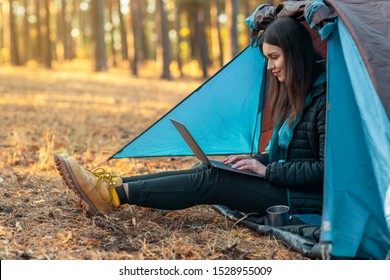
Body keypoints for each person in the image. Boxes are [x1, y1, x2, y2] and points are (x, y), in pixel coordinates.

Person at [55, 17, 326, 219]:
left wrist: (267, 170)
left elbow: (326, 172)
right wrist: (254, 161)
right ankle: (112, 185)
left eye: (275, 57)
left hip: (302, 198)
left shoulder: (325, 102)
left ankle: (109, 197)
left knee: (214, 182)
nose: (270, 67)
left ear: (296, 54)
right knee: (208, 170)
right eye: (268, 58)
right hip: (283, 183)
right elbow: (289, 156)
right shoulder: (293, 96)